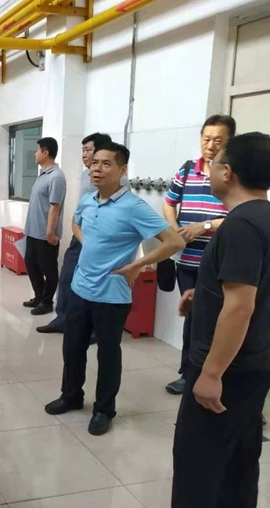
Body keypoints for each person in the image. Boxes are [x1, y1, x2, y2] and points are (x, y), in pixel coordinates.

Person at [44, 142, 185, 436]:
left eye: (106, 163)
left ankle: (104, 410)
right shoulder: (88, 199)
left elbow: (175, 241)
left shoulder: (133, 207)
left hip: (111, 296)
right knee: (72, 348)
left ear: (122, 170)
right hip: (80, 288)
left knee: (108, 355)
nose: (97, 168)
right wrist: (88, 243)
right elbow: (75, 222)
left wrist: (137, 265)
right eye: (95, 162)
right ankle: (71, 396)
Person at [172, 132, 270, 508]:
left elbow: (240, 306)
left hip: (229, 370)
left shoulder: (240, 226)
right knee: (238, 465)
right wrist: (205, 297)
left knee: (198, 469)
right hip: (255, 364)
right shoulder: (262, 218)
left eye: (213, 165)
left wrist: (211, 374)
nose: (209, 170)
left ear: (227, 172)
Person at [163, 115, 235, 395]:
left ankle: (218, 375)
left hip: (221, 262)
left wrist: (204, 226)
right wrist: (174, 230)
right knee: (193, 319)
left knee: (219, 320)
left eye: (218, 140)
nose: (211, 145)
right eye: (206, 139)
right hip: (188, 261)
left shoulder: (234, 174)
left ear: (229, 142)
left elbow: (240, 216)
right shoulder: (186, 170)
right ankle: (189, 373)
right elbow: (169, 204)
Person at [37, 132, 113, 334]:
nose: (84, 154)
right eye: (83, 150)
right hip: (80, 236)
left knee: (97, 283)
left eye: (88, 150)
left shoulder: (117, 179)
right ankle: (62, 319)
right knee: (67, 276)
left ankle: (94, 329)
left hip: (102, 241)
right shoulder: (85, 174)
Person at [22, 137, 67, 316]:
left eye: (37, 150)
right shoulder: (43, 174)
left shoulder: (56, 177)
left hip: (45, 234)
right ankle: (39, 296)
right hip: (33, 232)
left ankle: (47, 302)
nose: (35, 153)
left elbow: (55, 206)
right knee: (31, 264)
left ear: (46, 153)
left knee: (49, 269)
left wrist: (50, 232)